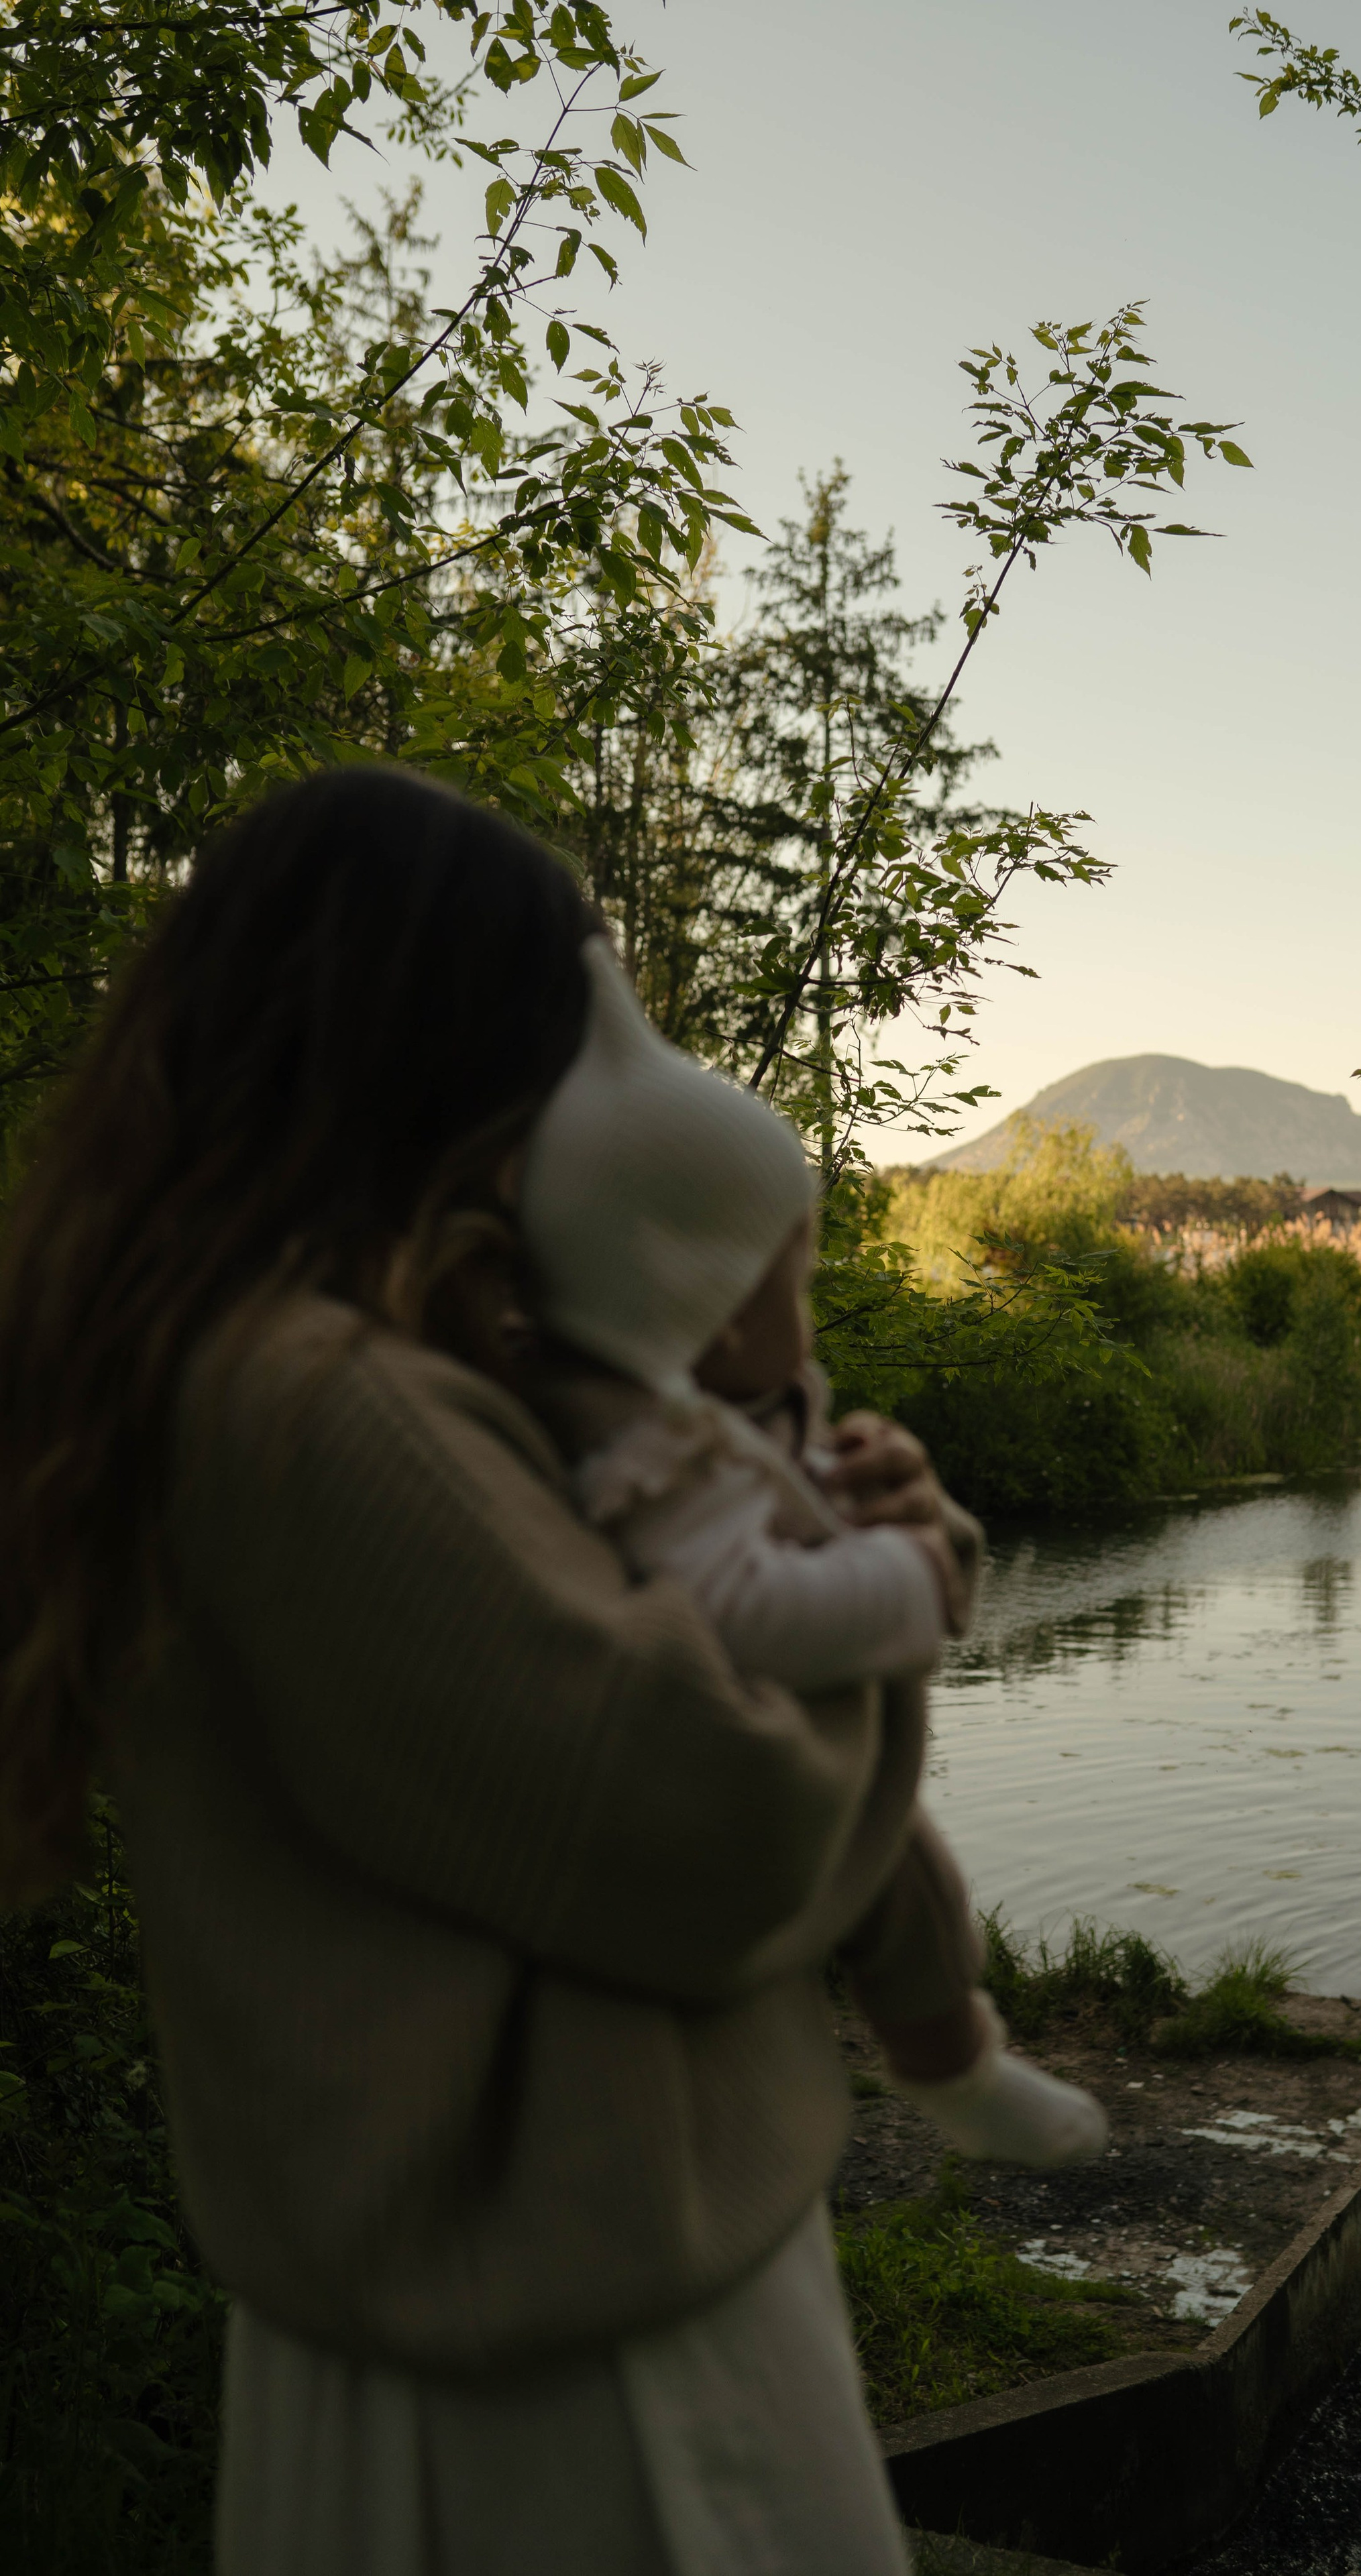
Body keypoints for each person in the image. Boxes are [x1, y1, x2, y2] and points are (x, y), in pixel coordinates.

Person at [0, 766, 1089, 2576]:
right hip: (572, 2375)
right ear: (451, 1045)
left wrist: (816, 1519)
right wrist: (891, 1598)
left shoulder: (297, 1359)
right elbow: (704, 1815)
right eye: (575, 1028)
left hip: (506, 2309)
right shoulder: (321, 1402)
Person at [519, 930, 1107, 2166]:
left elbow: (791, 1514)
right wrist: (909, 1575)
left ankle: (961, 2056)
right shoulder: (651, 1450)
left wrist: (880, 1496)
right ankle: (952, 2067)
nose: (810, 1304)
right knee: (906, 1885)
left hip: (781, 1773)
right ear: (704, 1303)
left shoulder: (725, 1407)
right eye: (795, 1275)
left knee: (921, 1890)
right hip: (720, 1789)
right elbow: (735, 1603)